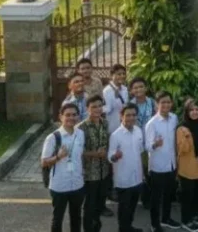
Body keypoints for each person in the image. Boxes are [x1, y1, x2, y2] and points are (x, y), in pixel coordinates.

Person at [41, 102, 86, 232]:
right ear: (61, 117)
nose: (71, 117)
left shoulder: (81, 134)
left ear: (78, 116)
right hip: (59, 185)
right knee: (58, 218)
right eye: (67, 115)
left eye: (74, 115)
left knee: (76, 217)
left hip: (77, 183)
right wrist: (58, 157)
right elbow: (44, 162)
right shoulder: (53, 137)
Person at [144, 92, 180, 231]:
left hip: (171, 164)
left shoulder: (174, 118)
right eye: (162, 102)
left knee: (169, 194)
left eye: (168, 102)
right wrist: (155, 144)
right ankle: (155, 224)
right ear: (156, 104)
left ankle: (166, 219)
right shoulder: (151, 124)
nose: (166, 105)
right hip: (157, 167)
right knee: (156, 198)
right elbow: (147, 146)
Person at [78, 95, 113, 232]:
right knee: (90, 206)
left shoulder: (105, 123)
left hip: (104, 171)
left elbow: (108, 144)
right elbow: (78, 151)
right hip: (89, 173)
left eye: (100, 106)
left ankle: (96, 227)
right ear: (87, 109)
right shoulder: (81, 127)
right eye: (94, 107)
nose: (98, 109)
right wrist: (94, 154)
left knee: (100, 204)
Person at [109, 104, 145, 232]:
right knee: (124, 208)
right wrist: (115, 156)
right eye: (128, 115)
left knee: (133, 206)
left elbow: (140, 152)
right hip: (123, 180)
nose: (131, 118)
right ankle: (123, 229)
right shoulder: (116, 135)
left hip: (137, 178)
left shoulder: (138, 130)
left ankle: (129, 227)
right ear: (121, 116)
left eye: (134, 115)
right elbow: (110, 157)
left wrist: (142, 175)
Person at [176, 98, 198, 232]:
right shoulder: (182, 128)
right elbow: (183, 150)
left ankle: (194, 215)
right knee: (187, 195)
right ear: (187, 112)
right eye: (192, 110)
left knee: (196, 193)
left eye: (197, 109)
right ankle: (185, 220)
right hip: (187, 167)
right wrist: (187, 138)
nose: (195, 112)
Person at [129, 77, 156, 210]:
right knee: (140, 171)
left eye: (141, 86)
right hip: (136, 143)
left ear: (146, 88)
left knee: (150, 170)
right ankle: (143, 199)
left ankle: (152, 198)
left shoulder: (152, 103)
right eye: (135, 88)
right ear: (132, 91)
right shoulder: (129, 105)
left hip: (151, 143)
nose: (138, 89)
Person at [103, 65, 129, 135]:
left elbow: (125, 105)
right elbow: (107, 109)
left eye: (124, 74)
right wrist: (115, 98)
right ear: (112, 75)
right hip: (112, 125)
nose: (122, 76)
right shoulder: (107, 91)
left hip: (124, 124)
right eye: (119, 74)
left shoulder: (125, 89)